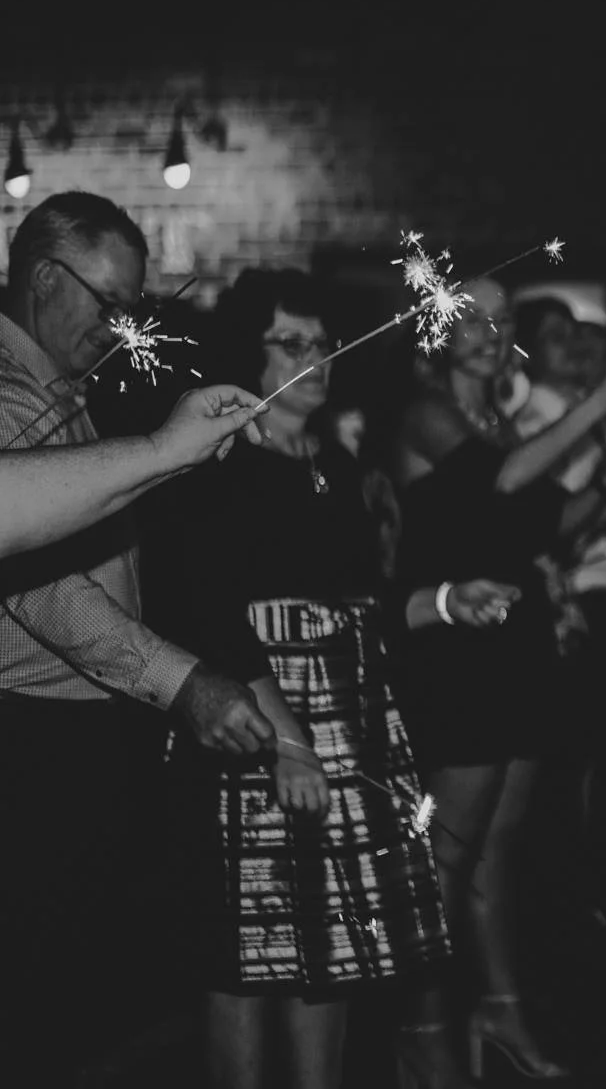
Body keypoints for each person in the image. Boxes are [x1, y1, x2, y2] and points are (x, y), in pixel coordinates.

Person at [146, 269, 523, 1089]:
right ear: (250, 352)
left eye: (321, 342)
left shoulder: (335, 463)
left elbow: (357, 606)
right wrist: (285, 739)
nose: (316, 357)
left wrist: (449, 600)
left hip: (345, 719)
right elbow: (203, 607)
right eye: (292, 342)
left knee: (332, 944)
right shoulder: (214, 459)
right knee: (251, 951)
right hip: (253, 724)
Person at [0, 191, 277, 1085]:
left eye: (135, 309)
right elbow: (39, 587)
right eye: (109, 302)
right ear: (45, 278)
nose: (123, 327)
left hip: (80, 727)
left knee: (67, 991)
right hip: (28, 735)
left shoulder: (62, 387)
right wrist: (181, 681)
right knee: (31, 993)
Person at [392, 275, 606, 1080]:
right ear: (438, 327)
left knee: (497, 849)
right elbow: (497, 485)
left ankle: (500, 1010)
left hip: (515, 645)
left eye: (505, 320)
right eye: (477, 318)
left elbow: (544, 524)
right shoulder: (421, 411)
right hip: (455, 649)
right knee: (447, 854)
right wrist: (599, 404)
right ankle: (422, 1024)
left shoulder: (499, 422)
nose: (496, 332)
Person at [0, 383, 265, 559]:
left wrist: (165, 449)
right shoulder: (10, 390)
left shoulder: (74, 392)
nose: (113, 323)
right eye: (106, 302)